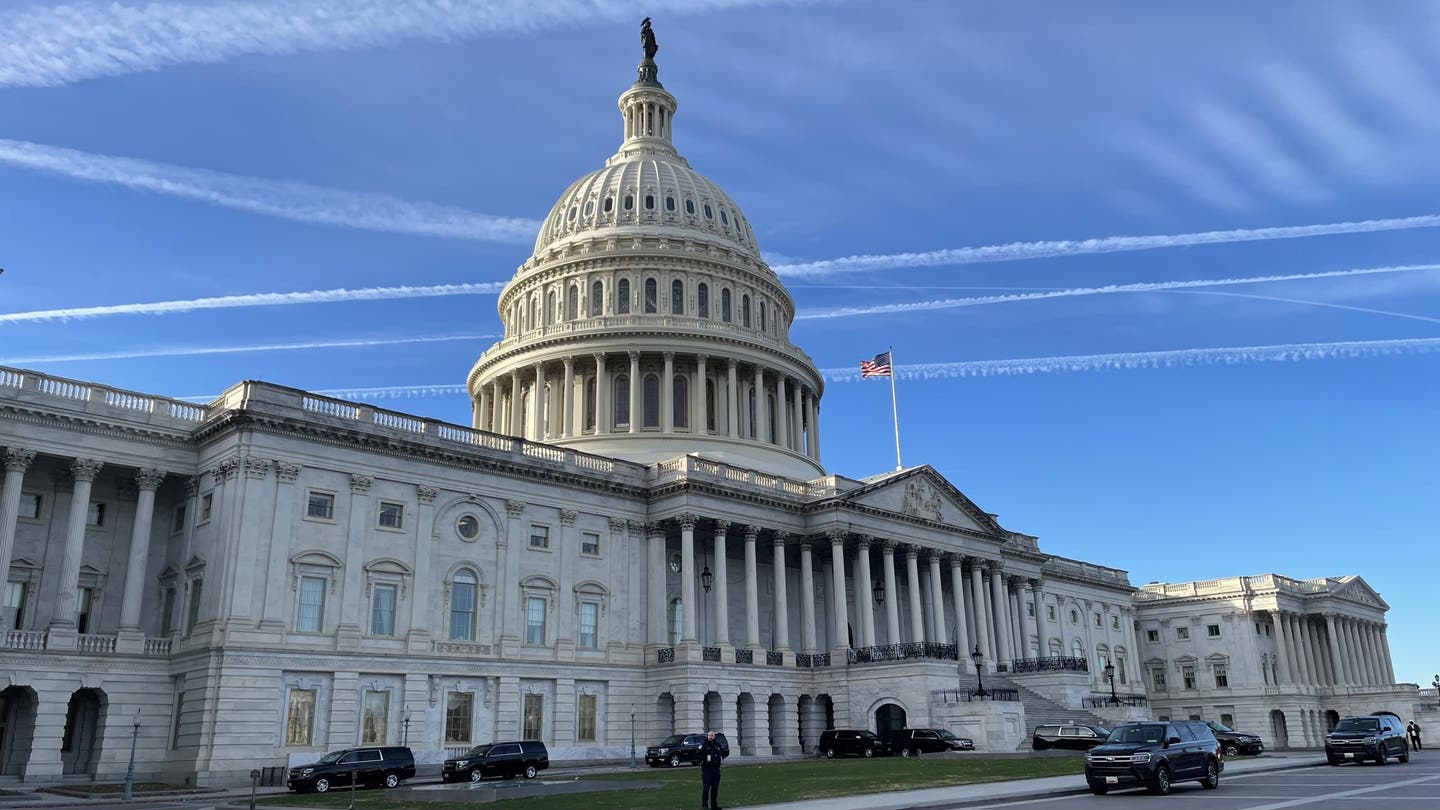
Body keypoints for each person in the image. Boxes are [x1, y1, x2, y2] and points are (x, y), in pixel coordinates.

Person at [698, 729, 726, 810]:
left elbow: (722, 752)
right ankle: (705, 805)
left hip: (716, 770)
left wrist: (723, 755)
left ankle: (714, 805)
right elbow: (698, 755)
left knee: (715, 789)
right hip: (707, 770)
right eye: (709, 735)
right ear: (707, 736)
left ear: (714, 736)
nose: (710, 737)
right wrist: (704, 760)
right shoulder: (703, 745)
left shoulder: (717, 745)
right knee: (706, 788)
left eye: (712, 736)